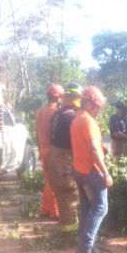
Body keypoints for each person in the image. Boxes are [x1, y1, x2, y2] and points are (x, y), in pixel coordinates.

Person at [70, 86, 113, 253]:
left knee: (87, 210)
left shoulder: (77, 119)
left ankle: (89, 249)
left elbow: (88, 145)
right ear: (89, 104)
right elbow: (94, 149)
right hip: (91, 172)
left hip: (79, 170)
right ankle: (85, 250)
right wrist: (105, 172)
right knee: (100, 208)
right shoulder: (88, 121)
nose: (98, 111)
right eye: (97, 107)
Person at [47, 82, 82, 233]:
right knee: (70, 193)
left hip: (54, 158)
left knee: (63, 196)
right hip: (63, 161)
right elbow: (80, 138)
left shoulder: (58, 113)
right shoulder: (70, 116)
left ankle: (66, 229)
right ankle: (71, 234)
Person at [35, 83, 63, 219]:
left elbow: (36, 133)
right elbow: (55, 134)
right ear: (57, 98)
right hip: (51, 150)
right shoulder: (55, 113)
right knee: (54, 181)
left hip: (42, 149)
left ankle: (45, 209)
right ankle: (54, 211)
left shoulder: (40, 111)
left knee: (48, 180)